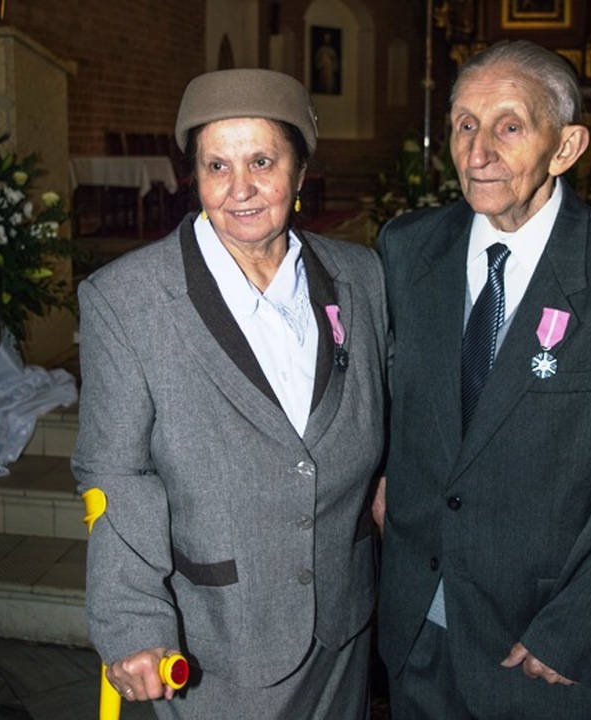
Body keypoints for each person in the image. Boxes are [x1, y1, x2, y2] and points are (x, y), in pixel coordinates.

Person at [72, 68, 389, 719]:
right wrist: (133, 621)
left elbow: (383, 408)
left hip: (343, 624)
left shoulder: (360, 276)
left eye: (262, 162)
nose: (239, 188)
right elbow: (116, 472)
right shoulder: (127, 300)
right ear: (194, 176)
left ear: (301, 171)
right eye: (217, 165)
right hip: (218, 640)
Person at [375, 39, 591, 720]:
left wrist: (576, 628)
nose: (477, 153)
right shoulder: (406, 249)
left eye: (509, 127)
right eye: (464, 125)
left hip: (542, 642)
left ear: (565, 147)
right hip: (416, 624)